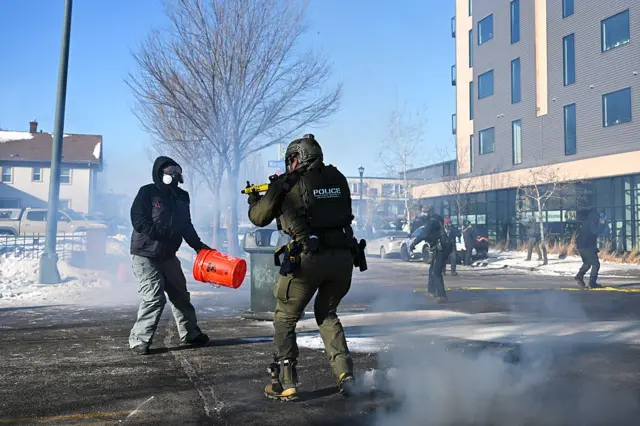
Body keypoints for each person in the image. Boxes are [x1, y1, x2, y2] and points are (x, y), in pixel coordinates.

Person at [247, 134, 357, 401]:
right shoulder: (338, 178)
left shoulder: (287, 183)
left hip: (308, 259)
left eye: (290, 160)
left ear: (296, 158)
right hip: (343, 258)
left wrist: (255, 200)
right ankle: (346, 375)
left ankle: (286, 383)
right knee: (327, 313)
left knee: (285, 318)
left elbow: (259, 217)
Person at [128, 156, 211, 355]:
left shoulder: (182, 197)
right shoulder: (148, 192)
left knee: (180, 295)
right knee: (155, 298)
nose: (172, 175)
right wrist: (160, 234)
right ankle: (139, 340)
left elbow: (186, 226)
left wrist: (198, 246)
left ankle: (190, 333)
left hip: (168, 256)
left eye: (175, 172)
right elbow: (138, 219)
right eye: (168, 172)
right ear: (159, 173)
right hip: (146, 254)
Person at [410, 206, 450, 303]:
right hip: (441, 247)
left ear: (430, 212)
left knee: (436, 272)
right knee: (432, 269)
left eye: (426, 212)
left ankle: (442, 296)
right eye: (423, 212)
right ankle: (431, 291)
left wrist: (414, 243)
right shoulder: (436, 219)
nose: (424, 214)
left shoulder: (432, 221)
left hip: (441, 248)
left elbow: (424, 234)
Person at [575, 209, 603, 289]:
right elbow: (596, 231)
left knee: (587, 263)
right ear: (596, 217)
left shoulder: (587, 222)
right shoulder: (591, 223)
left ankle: (579, 276)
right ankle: (592, 283)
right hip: (587, 247)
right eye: (599, 218)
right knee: (596, 264)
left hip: (581, 246)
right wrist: (602, 225)